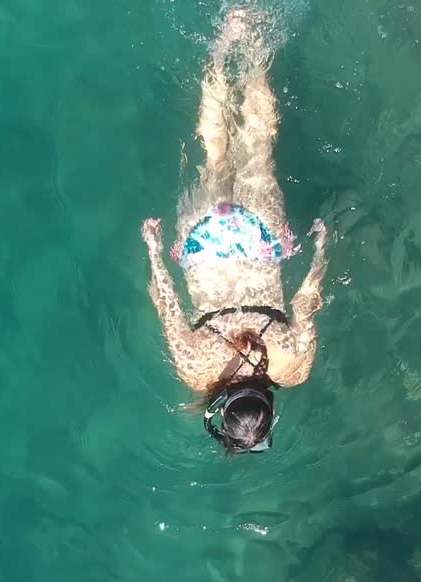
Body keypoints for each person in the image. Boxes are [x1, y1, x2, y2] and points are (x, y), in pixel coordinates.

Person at [141, 7, 330, 455]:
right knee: (214, 154)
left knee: (258, 146)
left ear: (269, 409)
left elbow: (306, 300)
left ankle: (250, 46)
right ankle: (223, 44)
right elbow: (165, 303)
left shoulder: (295, 367)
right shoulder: (195, 370)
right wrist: (153, 248)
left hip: (259, 244)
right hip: (204, 251)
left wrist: (321, 250)